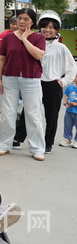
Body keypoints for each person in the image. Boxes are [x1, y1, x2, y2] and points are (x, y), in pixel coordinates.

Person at [14, 11, 76, 154]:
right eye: (44, 26)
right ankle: (17, 139)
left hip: (52, 85)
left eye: (51, 27)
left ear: (56, 30)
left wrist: (64, 81)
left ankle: (47, 143)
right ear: (39, 27)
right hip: (34, 82)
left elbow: (72, 68)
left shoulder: (61, 48)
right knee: (27, 112)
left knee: (51, 116)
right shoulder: (31, 42)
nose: (47, 30)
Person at [0, 8, 47, 161]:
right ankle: (4, 145)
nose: (22, 21)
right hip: (9, 78)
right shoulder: (8, 37)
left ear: (32, 21)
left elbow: (38, 55)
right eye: (20, 18)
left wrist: (24, 39)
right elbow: (2, 59)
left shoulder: (38, 38)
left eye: (26, 19)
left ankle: (37, 148)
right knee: (7, 112)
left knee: (33, 114)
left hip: (31, 79)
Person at [60, 81, 77, 148]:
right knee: (67, 125)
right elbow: (67, 95)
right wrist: (65, 102)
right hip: (69, 110)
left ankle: (76, 141)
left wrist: (75, 104)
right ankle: (67, 139)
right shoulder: (70, 87)